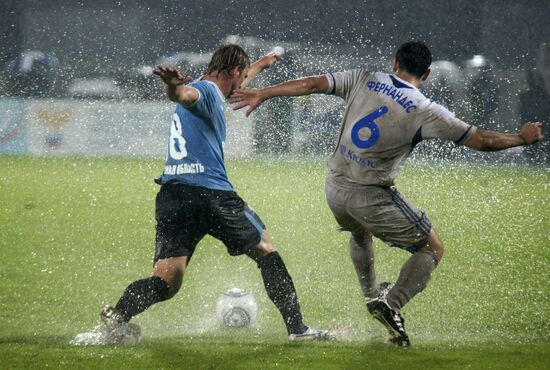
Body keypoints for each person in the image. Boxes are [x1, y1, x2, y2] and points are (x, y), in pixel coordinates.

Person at [231, 41, 544, 347]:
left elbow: (312, 84)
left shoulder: (364, 77)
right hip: (369, 196)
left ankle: (371, 295)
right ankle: (390, 304)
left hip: (334, 189)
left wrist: (264, 92)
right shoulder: (426, 109)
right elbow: (481, 140)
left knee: (358, 232)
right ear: (428, 74)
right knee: (432, 248)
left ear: (394, 63)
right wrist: (521, 137)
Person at [73, 44, 332, 345]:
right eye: (243, 75)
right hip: (211, 195)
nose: (243, 83)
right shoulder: (205, 93)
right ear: (234, 71)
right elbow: (185, 96)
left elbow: (214, 87)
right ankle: (298, 329)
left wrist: (261, 64)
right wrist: (172, 88)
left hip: (174, 196)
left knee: (166, 282)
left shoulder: (208, 87)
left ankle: (116, 319)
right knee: (266, 251)